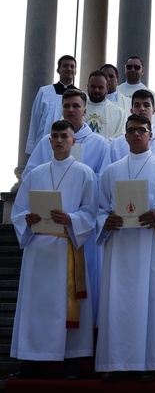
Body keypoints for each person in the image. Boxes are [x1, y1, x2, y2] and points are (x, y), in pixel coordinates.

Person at [10, 120, 97, 380]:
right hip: (37, 251)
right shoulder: (34, 174)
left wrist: (71, 219)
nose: (59, 140)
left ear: (74, 141)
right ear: (49, 141)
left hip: (66, 249)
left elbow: (90, 212)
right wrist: (26, 219)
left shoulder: (85, 173)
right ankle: (32, 360)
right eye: (55, 136)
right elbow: (19, 210)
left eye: (64, 136)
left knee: (63, 305)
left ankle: (67, 360)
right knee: (35, 306)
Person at [95, 114, 155, 381]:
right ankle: (116, 364)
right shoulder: (112, 170)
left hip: (151, 245)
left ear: (150, 134)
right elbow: (98, 209)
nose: (135, 135)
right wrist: (105, 221)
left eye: (140, 130)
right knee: (118, 303)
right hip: (119, 247)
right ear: (125, 136)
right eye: (131, 131)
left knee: (152, 301)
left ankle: (152, 363)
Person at [23, 89, 111, 328]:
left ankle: (86, 335)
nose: (70, 110)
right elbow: (32, 176)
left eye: (75, 106)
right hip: (45, 231)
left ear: (85, 110)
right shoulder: (46, 142)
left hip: (81, 231)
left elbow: (103, 181)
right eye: (66, 106)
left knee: (85, 281)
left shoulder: (100, 143)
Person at [109, 89, 155, 173]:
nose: (142, 109)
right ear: (131, 111)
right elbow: (107, 175)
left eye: (146, 105)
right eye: (137, 105)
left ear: (154, 110)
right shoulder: (116, 145)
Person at [25, 55, 77, 154]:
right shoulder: (44, 92)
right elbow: (35, 120)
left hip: (69, 145)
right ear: (58, 70)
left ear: (75, 71)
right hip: (45, 141)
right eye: (65, 66)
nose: (69, 69)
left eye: (72, 66)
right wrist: (32, 148)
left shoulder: (81, 95)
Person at [84, 70, 127, 140]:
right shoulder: (76, 108)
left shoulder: (119, 113)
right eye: (93, 86)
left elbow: (121, 138)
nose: (96, 90)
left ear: (107, 89)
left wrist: (101, 145)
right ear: (87, 86)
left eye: (100, 87)